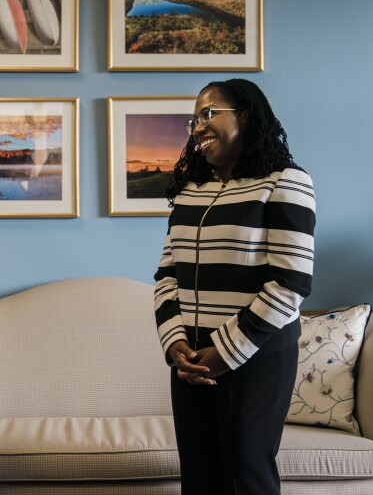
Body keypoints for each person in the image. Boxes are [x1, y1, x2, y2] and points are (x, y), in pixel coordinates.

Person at [154, 79, 315, 494]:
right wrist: (175, 347)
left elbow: (290, 282)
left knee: (247, 474)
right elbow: (167, 276)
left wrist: (224, 353)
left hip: (256, 355)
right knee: (200, 476)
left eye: (209, 114)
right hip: (191, 359)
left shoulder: (285, 181)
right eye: (194, 120)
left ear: (245, 115)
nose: (198, 128)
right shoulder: (189, 190)